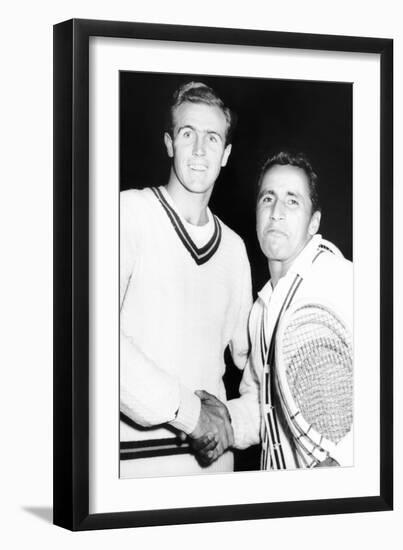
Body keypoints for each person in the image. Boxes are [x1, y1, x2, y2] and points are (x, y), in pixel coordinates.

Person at [120, 81, 252, 478]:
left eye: (212, 138)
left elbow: (257, 369)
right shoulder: (128, 213)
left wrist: (233, 424)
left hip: (214, 472)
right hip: (134, 470)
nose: (199, 150)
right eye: (187, 133)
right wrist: (192, 414)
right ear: (169, 143)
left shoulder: (235, 249)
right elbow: (92, 342)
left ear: (226, 154)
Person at [195, 151, 353, 470]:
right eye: (268, 198)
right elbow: (264, 404)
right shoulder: (261, 309)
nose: (276, 212)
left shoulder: (343, 279)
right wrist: (225, 422)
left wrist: (343, 460)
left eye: (292, 200)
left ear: (315, 222)